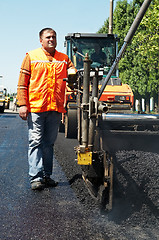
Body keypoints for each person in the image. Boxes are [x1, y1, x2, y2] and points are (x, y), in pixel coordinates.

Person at [17, 28, 76, 190]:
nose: (51, 39)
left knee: (49, 143)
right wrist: (23, 104)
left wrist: (73, 74)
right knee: (35, 141)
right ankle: (35, 177)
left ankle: (46, 175)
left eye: (54, 37)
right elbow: (22, 83)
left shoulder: (64, 59)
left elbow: (72, 74)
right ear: (41, 40)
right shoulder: (31, 57)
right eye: (48, 37)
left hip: (55, 108)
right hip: (36, 107)